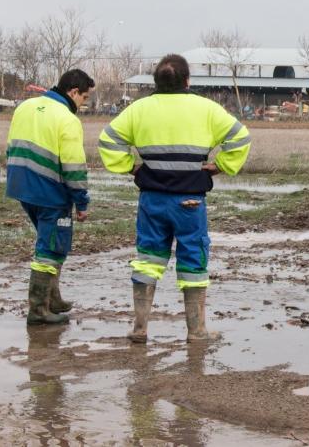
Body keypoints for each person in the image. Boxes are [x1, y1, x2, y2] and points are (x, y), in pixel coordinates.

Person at [98, 54, 251, 344]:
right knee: (193, 260)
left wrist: (130, 166)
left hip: (152, 200)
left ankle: (140, 328)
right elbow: (241, 138)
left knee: (147, 260)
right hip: (190, 202)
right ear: (187, 81)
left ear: (156, 81)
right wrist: (222, 165)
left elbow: (108, 141)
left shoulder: (138, 109)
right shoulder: (206, 108)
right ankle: (197, 331)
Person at [6, 69, 94, 326]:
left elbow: (10, 145)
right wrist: (81, 200)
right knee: (51, 248)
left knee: (51, 242)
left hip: (22, 187)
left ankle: (52, 299)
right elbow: (73, 164)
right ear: (73, 91)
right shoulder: (67, 119)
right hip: (50, 193)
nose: (83, 104)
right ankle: (38, 309)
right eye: (84, 97)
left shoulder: (25, 106)